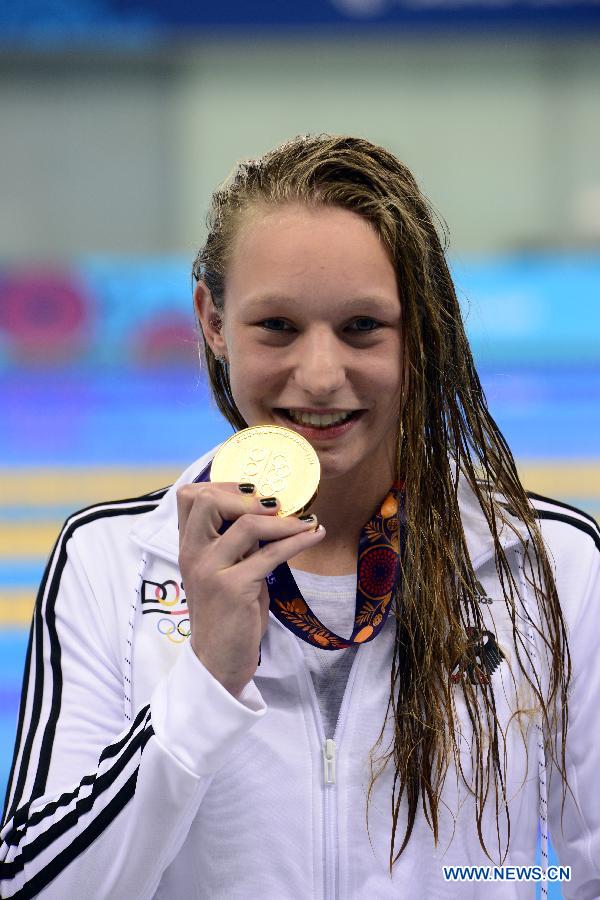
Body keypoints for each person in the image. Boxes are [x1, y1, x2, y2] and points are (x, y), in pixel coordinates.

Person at [1, 134, 598, 899]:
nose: (320, 377)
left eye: (362, 328)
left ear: (420, 330)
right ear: (212, 322)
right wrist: (207, 682)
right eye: (276, 327)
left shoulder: (550, 563)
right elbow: (36, 887)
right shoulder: (114, 562)